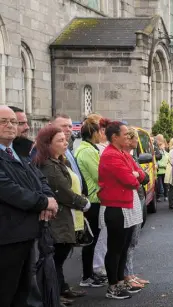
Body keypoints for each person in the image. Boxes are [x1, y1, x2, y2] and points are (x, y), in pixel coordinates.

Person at [0, 106, 58, 307]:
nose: (10, 126)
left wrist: (49, 198)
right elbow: (9, 190)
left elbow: (39, 179)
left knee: (23, 292)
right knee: (6, 292)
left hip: (26, 233)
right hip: (7, 236)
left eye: (13, 122)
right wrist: (43, 202)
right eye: (3, 121)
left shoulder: (18, 152)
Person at [33, 124, 91, 306]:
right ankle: (54, 294)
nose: (65, 143)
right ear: (47, 144)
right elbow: (62, 192)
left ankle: (61, 288)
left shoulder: (59, 161)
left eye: (65, 140)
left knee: (60, 257)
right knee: (56, 257)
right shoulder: (49, 166)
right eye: (60, 140)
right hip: (57, 218)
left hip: (66, 215)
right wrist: (83, 203)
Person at [98, 121, 145, 300]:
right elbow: (130, 180)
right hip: (116, 206)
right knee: (115, 248)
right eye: (125, 134)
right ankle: (113, 286)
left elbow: (139, 173)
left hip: (125, 205)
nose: (128, 136)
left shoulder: (122, 153)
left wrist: (136, 175)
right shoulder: (111, 155)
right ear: (114, 137)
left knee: (123, 247)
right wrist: (136, 176)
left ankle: (119, 280)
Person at [74, 117, 109, 289]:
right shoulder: (87, 151)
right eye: (99, 131)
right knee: (92, 240)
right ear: (92, 133)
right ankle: (87, 276)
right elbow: (99, 174)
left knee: (94, 239)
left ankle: (90, 273)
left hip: (95, 198)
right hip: (94, 200)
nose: (101, 134)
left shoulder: (89, 148)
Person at [123, 128, 150, 290]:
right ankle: (127, 274)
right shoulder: (125, 156)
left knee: (134, 240)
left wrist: (138, 175)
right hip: (131, 198)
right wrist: (138, 175)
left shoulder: (131, 156)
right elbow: (137, 177)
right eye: (133, 138)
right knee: (129, 240)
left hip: (138, 196)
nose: (135, 141)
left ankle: (130, 273)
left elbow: (144, 177)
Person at [155, 135, 169, 202]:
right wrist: (163, 165)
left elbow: (168, 161)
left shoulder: (166, 153)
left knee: (165, 184)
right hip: (159, 171)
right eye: (160, 145)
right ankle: (159, 196)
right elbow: (157, 162)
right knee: (159, 185)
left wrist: (166, 165)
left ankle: (166, 196)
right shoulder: (157, 153)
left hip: (165, 171)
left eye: (162, 145)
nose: (162, 146)